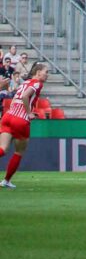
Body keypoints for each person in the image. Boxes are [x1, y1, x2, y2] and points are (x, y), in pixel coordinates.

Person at [0, 59, 64, 187]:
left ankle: (6, 181)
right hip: (20, 119)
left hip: (8, 116)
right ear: (38, 72)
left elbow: (15, 99)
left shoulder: (25, 83)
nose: (47, 74)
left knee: (3, 149)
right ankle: (6, 181)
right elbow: (25, 97)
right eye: (46, 72)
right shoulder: (37, 84)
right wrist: (29, 113)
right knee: (19, 152)